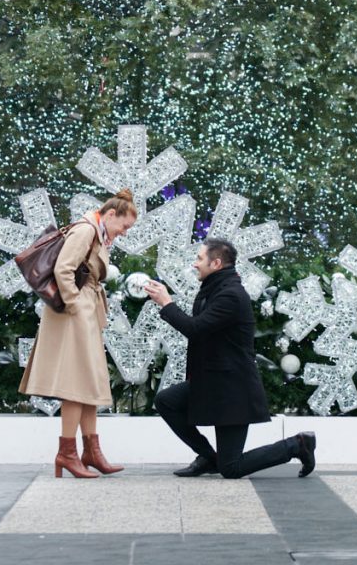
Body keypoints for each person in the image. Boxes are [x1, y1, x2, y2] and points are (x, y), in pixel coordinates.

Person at [145, 238, 317, 479]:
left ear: (215, 263)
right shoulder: (215, 289)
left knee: (231, 468)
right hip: (213, 382)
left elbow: (195, 329)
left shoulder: (231, 296)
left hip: (232, 389)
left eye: (199, 258)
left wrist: (166, 303)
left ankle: (297, 445)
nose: (195, 264)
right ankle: (208, 456)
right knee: (166, 401)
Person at [19, 188, 137, 478]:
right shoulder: (86, 230)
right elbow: (63, 269)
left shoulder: (96, 232)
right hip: (76, 312)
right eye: (124, 225)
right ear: (111, 214)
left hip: (85, 310)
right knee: (75, 383)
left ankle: (89, 451)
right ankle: (68, 452)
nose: (124, 232)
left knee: (87, 383)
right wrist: (75, 306)